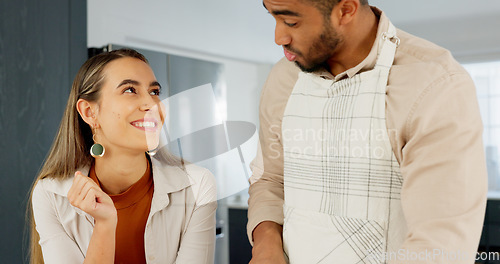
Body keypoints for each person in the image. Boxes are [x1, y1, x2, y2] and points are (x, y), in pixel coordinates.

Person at [247, 0, 487, 263]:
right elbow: (271, 179)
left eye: (291, 22)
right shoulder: (284, 77)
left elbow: (440, 243)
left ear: (346, 10)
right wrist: (266, 246)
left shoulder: (434, 84)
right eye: (273, 18)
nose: (278, 37)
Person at [29, 49, 217, 264]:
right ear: (90, 112)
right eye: (130, 90)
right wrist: (105, 225)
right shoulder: (51, 194)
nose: (152, 105)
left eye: (154, 92)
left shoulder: (198, 185)